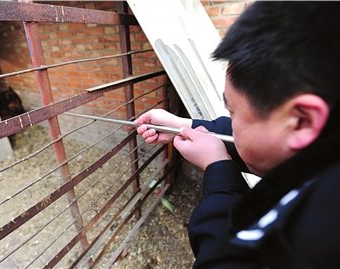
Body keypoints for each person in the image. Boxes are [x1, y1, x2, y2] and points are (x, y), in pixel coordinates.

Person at [134, 2, 340, 268]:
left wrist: (218, 169)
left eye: (232, 113)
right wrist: (186, 124)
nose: (232, 122)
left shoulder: (316, 233)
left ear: (301, 120)